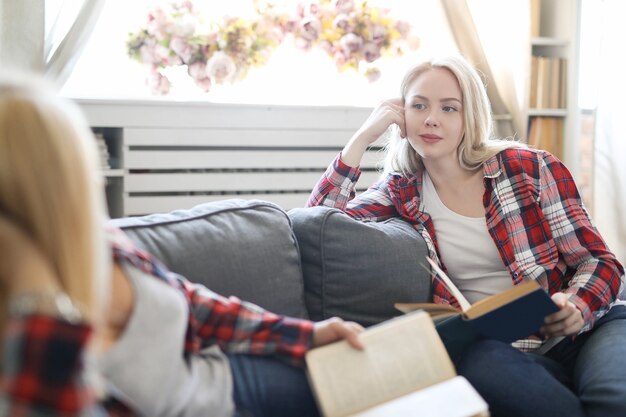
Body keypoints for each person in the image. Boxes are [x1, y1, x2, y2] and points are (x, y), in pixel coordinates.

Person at [0, 73, 364, 416]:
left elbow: (193, 304)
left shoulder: (99, 241)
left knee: (374, 372)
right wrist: (37, 287)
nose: (96, 183)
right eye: (82, 169)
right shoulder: (33, 335)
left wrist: (307, 334)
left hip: (225, 379)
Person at [307, 54, 626, 417]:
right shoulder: (401, 190)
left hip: (590, 329)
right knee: (483, 367)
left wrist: (577, 305)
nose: (431, 118)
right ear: (401, 115)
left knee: (614, 400)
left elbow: (599, 260)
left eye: (449, 108)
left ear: (469, 117)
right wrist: (362, 138)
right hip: (504, 348)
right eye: (419, 105)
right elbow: (317, 223)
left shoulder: (529, 168)